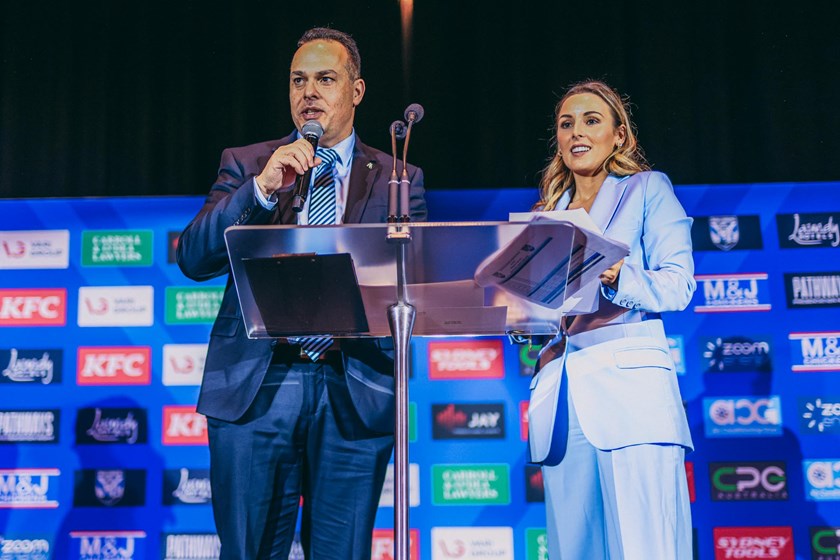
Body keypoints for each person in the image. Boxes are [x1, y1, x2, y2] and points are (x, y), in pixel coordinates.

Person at [176, 27, 426, 559]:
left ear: (356, 91)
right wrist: (263, 189)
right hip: (257, 386)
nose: (308, 92)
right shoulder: (248, 164)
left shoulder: (398, 177)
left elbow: (416, 285)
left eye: (325, 79)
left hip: (353, 383)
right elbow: (194, 258)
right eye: (298, 80)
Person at [526, 80, 695, 559]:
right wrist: (520, 312)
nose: (576, 131)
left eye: (591, 120)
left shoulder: (647, 189)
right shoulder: (545, 214)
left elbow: (679, 285)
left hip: (632, 398)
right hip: (562, 398)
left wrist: (617, 273)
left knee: (646, 548)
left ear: (620, 136)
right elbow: (541, 314)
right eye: (566, 123)